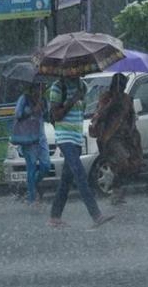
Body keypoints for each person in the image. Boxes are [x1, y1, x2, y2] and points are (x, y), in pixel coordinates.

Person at [48, 76, 114, 228]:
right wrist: (72, 100)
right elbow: (56, 115)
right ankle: (96, 215)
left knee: (66, 179)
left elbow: (83, 110)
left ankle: (54, 216)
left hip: (77, 137)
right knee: (80, 174)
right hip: (64, 137)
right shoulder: (58, 87)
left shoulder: (82, 85)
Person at [90, 73, 143, 204]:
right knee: (122, 161)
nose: (121, 88)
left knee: (130, 165)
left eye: (123, 86)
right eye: (119, 85)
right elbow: (99, 116)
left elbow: (131, 117)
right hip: (111, 137)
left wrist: (132, 132)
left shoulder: (127, 99)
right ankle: (117, 190)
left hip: (126, 137)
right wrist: (112, 104)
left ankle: (119, 190)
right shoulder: (106, 98)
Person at [14, 83, 51, 206]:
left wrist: (43, 109)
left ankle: (31, 186)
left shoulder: (44, 100)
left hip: (41, 138)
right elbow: (18, 114)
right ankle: (32, 197)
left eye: (40, 87)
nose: (38, 90)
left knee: (46, 166)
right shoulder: (24, 99)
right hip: (28, 139)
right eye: (36, 87)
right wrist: (31, 111)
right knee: (31, 167)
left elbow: (47, 116)